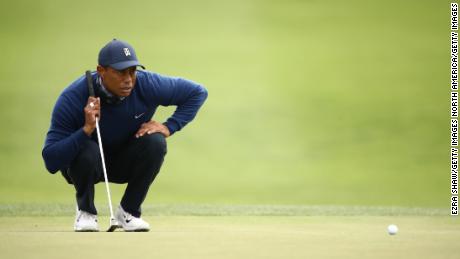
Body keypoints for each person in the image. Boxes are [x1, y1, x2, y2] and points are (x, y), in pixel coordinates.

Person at [42, 39, 208, 232]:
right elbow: (51, 160)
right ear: (101, 71)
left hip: (124, 161)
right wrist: (86, 129)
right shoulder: (73, 97)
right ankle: (86, 211)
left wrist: (169, 126)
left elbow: (198, 93)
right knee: (86, 148)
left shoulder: (147, 84)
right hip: (86, 166)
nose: (128, 79)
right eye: (121, 72)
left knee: (156, 141)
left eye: (132, 71)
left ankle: (128, 212)